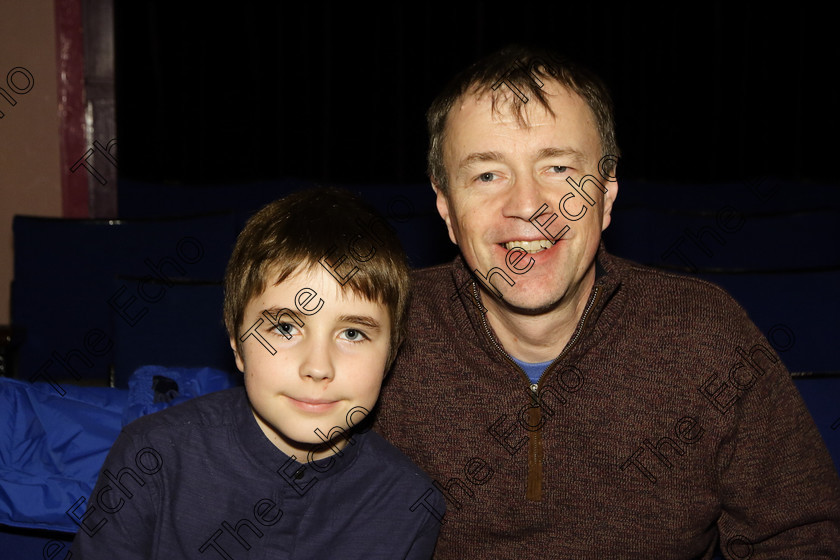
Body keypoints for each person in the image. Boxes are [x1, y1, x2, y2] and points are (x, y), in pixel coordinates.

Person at [374, 45, 840, 558]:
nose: (527, 206)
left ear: (607, 193)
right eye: (488, 175)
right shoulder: (379, 332)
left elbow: (802, 539)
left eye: (557, 168)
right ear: (445, 206)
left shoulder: (704, 334)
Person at [70, 187, 444, 559]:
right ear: (237, 343)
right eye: (285, 328)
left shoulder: (410, 505)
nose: (317, 367)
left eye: (352, 333)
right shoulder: (150, 459)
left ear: (392, 355)